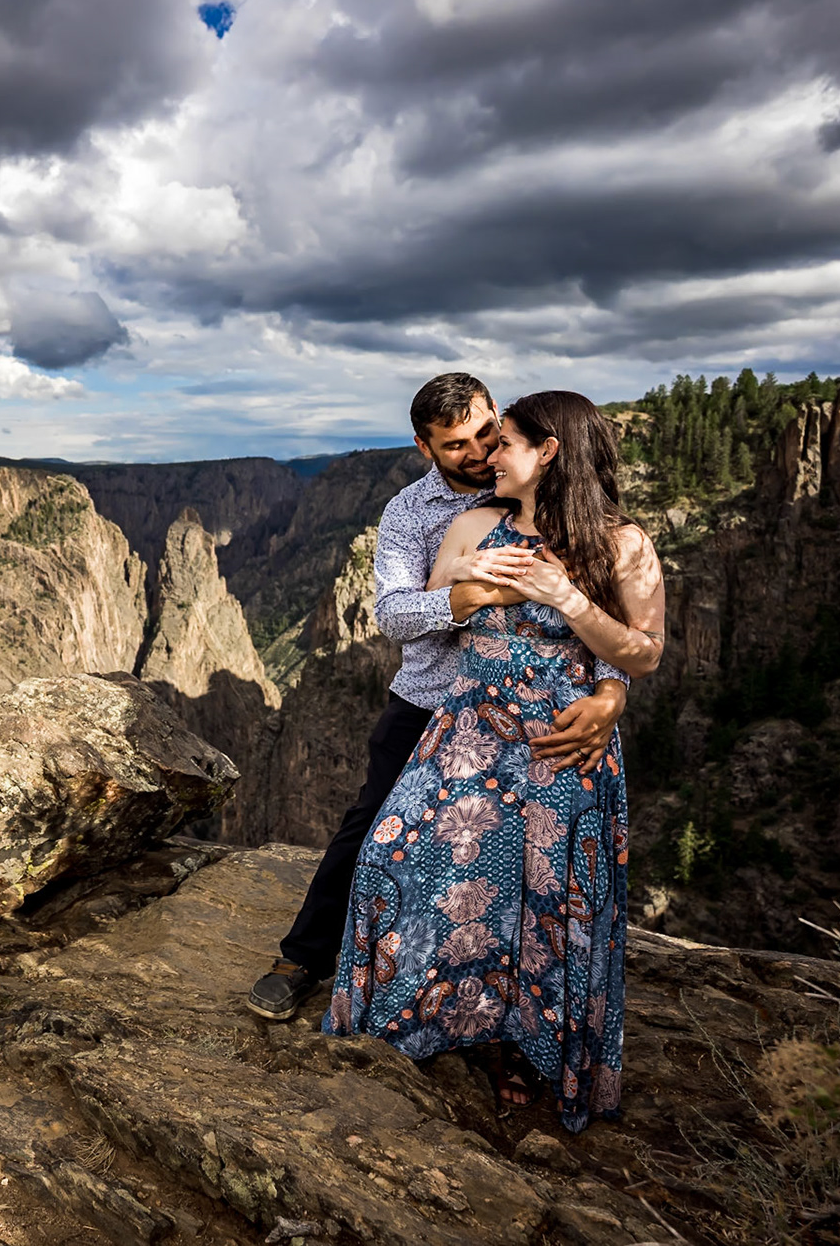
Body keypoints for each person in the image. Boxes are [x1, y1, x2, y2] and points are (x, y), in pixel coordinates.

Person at [322, 389, 664, 1133]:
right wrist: (474, 589)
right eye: (470, 445)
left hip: (557, 747)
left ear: (547, 452)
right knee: (386, 857)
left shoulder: (625, 543)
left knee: (543, 905)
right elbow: (407, 610)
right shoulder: (472, 522)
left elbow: (643, 650)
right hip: (468, 733)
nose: (486, 456)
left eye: (500, 440)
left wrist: (577, 617)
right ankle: (431, 1018)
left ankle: (522, 1046)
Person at [246, 374, 633, 1025]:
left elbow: (604, 605)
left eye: (488, 432)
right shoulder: (407, 513)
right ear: (425, 446)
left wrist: (613, 689)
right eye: (456, 444)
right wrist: (473, 596)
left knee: (519, 853)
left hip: (527, 712)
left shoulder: (539, 489)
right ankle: (303, 959)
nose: (479, 451)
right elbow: (394, 615)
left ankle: (506, 998)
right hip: (429, 703)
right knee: (371, 831)